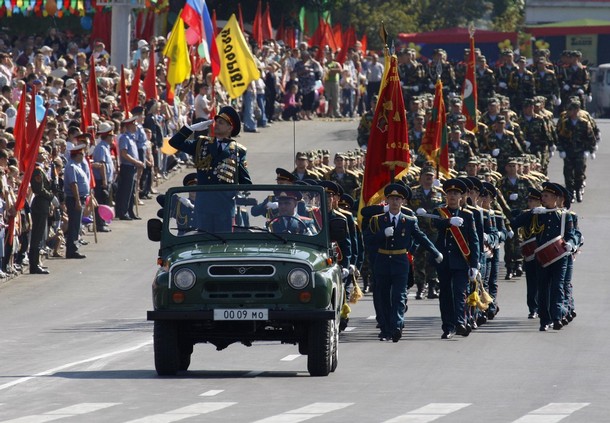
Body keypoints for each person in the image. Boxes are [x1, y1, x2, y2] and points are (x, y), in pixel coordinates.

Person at [367, 183, 442, 342]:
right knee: (384, 296)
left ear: (403, 202)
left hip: (400, 261)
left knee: (399, 296)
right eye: (392, 198)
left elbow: (421, 237)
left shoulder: (408, 221)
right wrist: (382, 234)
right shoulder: (377, 220)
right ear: (387, 200)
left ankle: (396, 326)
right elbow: (368, 240)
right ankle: (386, 330)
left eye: (398, 199)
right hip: (382, 261)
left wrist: (435, 252)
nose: (395, 202)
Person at [169, 105, 252, 233]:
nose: (216, 125)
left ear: (230, 128)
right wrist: (191, 129)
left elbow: (245, 181)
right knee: (203, 243)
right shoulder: (202, 143)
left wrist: (240, 193)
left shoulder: (238, 150)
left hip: (224, 206)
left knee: (223, 245)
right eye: (216, 122)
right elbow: (174, 143)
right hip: (204, 205)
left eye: (221, 123)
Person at [433, 178, 480, 339]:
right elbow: (435, 224)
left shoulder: (468, 215)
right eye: (449, 193)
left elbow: (474, 241)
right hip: (444, 261)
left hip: (461, 261)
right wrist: (448, 222)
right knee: (445, 294)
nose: (452, 196)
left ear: (461, 197)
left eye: (456, 193)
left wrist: (475, 264)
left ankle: (460, 322)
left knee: (459, 293)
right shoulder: (439, 212)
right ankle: (448, 327)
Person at [410, 165, 445, 299]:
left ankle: (432, 287)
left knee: (433, 257)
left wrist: (430, 213)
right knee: (418, 258)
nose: (428, 179)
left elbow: (443, 210)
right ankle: (420, 287)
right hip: (418, 230)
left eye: (430, 176)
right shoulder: (413, 192)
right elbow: (406, 208)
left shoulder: (439, 193)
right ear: (420, 178)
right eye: (426, 176)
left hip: (433, 230)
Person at [29, 149, 55, 274]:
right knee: (37, 235)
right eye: (42, 153)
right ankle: (33, 265)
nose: (45, 156)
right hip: (39, 204)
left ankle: (36, 262)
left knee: (40, 236)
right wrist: (51, 197)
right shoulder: (37, 170)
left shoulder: (42, 169)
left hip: (43, 204)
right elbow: (39, 189)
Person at [115, 116, 145, 220]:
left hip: (132, 167)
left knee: (131, 191)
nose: (136, 126)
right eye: (134, 124)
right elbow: (124, 154)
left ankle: (130, 211)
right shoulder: (124, 138)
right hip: (127, 167)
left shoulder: (132, 137)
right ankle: (123, 212)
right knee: (126, 191)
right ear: (129, 126)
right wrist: (136, 162)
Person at [63, 144, 90, 259]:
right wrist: (77, 200)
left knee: (77, 224)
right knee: (74, 225)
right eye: (82, 154)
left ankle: (74, 247)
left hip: (79, 198)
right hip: (74, 199)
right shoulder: (71, 167)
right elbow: (73, 184)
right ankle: (72, 250)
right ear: (77, 154)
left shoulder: (77, 165)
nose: (83, 156)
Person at [91, 122, 115, 232]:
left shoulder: (106, 147)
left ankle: (103, 222)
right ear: (106, 136)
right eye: (111, 135)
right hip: (101, 180)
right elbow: (102, 165)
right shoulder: (101, 148)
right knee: (101, 202)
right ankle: (100, 224)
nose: (113, 137)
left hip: (106, 180)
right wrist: (105, 180)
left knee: (105, 202)